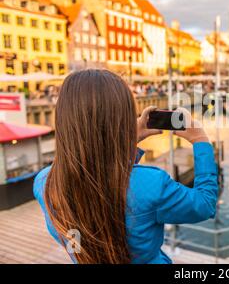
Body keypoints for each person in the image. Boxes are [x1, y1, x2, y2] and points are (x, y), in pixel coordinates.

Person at [33, 69, 218, 264]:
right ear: (122, 120)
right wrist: (200, 140)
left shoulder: (44, 182)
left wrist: (130, 141)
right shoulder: (151, 185)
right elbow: (204, 204)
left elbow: (97, 174)